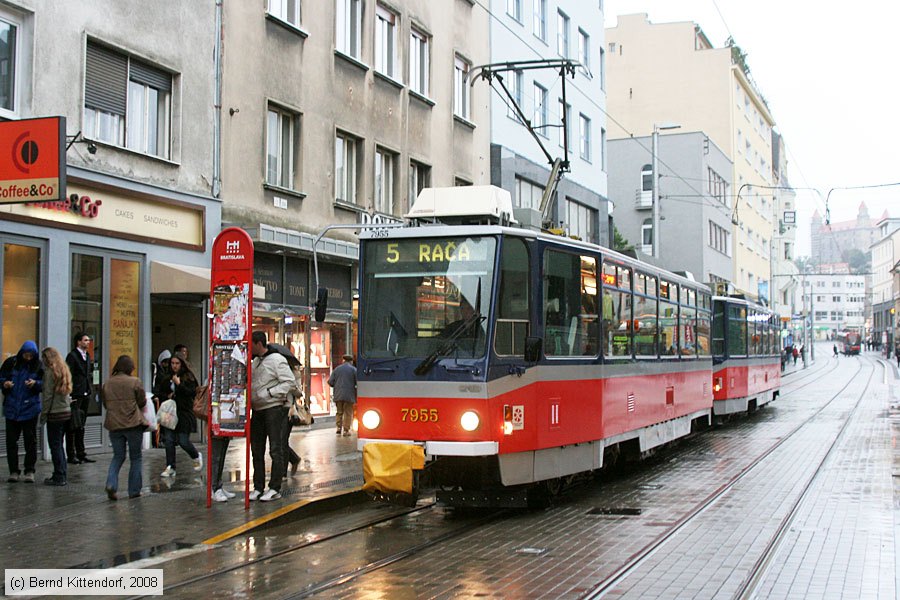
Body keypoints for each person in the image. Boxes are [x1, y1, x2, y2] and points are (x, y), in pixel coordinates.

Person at [250, 331, 294, 502]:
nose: (250, 348)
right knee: (257, 449)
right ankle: (258, 486)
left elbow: (289, 382)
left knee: (275, 448)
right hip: (258, 409)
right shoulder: (256, 361)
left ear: (258, 344)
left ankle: (274, 487)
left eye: (251, 344)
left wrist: (270, 393)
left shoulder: (277, 360)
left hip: (273, 408)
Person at [102, 355, 146, 500]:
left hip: (114, 425)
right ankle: (134, 491)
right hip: (133, 424)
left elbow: (105, 404)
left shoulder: (107, 383)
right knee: (136, 457)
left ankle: (111, 483)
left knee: (118, 456)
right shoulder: (135, 382)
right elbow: (142, 401)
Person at [1, 341, 43, 483]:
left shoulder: (38, 365)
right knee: (11, 441)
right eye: (26, 354)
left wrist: (35, 384)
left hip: (30, 408)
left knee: (30, 441)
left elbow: (45, 383)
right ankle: (13, 471)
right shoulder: (11, 363)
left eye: (31, 355)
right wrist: (4, 384)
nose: (28, 357)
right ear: (21, 353)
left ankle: (29, 470)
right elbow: (1, 377)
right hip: (12, 407)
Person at [159, 352, 202, 477]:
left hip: (184, 413)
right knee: (169, 440)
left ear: (182, 364)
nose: (174, 366)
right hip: (170, 412)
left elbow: (192, 392)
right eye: (172, 363)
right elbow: (160, 391)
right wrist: (167, 395)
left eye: (177, 363)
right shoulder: (167, 377)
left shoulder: (188, 377)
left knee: (183, 440)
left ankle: (195, 455)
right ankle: (170, 466)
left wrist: (179, 385)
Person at [40, 347, 72, 486]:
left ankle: (59, 475)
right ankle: (62, 473)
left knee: (55, 445)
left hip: (54, 413)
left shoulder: (49, 372)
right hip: (66, 412)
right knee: (60, 444)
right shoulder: (64, 369)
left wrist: (43, 414)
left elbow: (47, 396)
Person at [65, 332, 96, 464]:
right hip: (76, 393)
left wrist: (89, 388)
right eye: (85, 340)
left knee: (81, 424)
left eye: (88, 340)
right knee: (72, 425)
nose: (87, 343)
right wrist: (69, 392)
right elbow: (69, 374)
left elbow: (88, 373)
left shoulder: (87, 356)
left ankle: (81, 452)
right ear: (78, 342)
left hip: (85, 392)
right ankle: (71, 454)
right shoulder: (72, 356)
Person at [328, 354, 357, 437]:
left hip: (338, 394)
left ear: (343, 360)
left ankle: (338, 428)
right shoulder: (354, 370)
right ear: (351, 361)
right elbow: (357, 382)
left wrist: (337, 386)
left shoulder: (336, 369)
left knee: (339, 412)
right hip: (349, 395)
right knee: (348, 413)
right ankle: (346, 430)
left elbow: (330, 382)